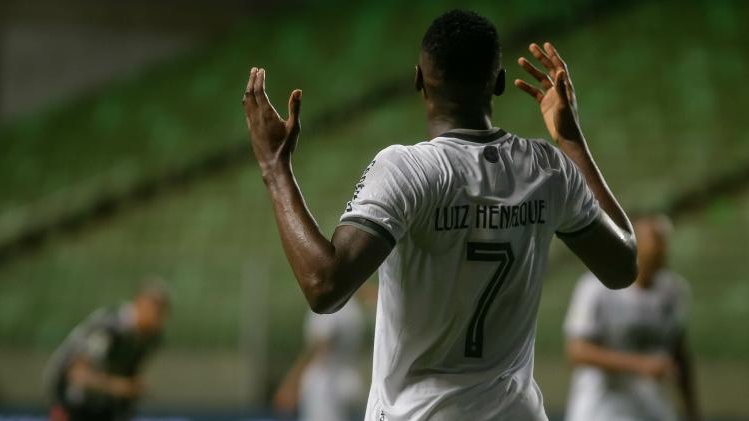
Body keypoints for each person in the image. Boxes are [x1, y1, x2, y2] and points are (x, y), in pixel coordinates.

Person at [241, 9, 638, 421]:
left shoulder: (407, 170)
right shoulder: (548, 168)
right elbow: (624, 265)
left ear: (418, 80)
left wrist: (275, 168)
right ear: (499, 83)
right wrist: (572, 143)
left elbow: (325, 285)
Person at [564, 215, 700, 421]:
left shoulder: (674, 291)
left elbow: (679, 351)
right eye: (655, 238)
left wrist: (692, 410)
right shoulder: (596, 287)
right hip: (601, 409)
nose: (662, 247)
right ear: (633, 242)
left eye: (664, 239)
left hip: (651, 409)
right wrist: (640, 365)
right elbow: (577, 351)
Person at [45, 282, 169, 421]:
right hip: (73, 405)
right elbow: (78, 375)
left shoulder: (150, 337)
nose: (159, 319)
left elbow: (130, 376)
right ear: (140, 303)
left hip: (106, 408)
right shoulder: (109, 327)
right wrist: (119, 386)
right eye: (156, 310)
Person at [273, 294, 368, 421]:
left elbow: (321, 347)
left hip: (326, 388)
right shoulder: (352, 307)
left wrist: (291, 385)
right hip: (350, 382)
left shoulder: (328, 304)